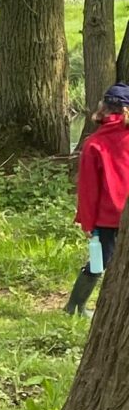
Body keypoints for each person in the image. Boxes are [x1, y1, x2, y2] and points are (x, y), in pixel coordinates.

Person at [64, 82, 129, 317]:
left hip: (106, 218)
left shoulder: (94, 144)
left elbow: (89, 190)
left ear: (103, 110)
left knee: (98, 262)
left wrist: (87, 223)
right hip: (122, 214)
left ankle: (75, 307)